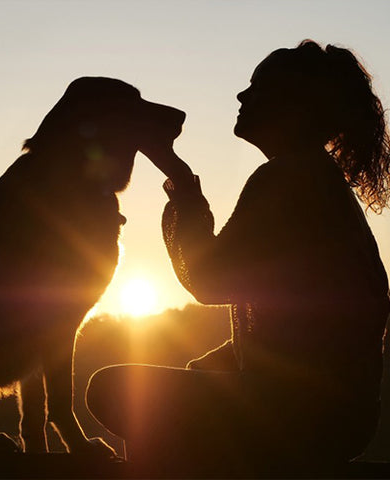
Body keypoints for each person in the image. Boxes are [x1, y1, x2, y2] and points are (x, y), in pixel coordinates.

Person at [86, 40, 390, 476]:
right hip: (337, 420)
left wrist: (183, 187)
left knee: (113, 389)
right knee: (164, 395)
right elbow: (302, 330)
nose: (242, 96)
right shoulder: (314, 179)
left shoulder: (289, 178)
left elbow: (209, 280)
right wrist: (207, 369)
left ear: (293, 106)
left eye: (258, 86)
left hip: (301, 420)